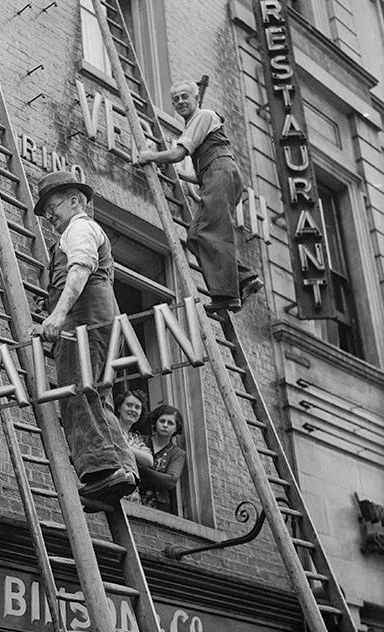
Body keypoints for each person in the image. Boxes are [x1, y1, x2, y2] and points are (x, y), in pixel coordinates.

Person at [34, 170, 138, 507]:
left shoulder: (79, 227)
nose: (50, 214)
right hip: (99, 323)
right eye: (47, 209)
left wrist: (57, 315)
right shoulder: (77, 231)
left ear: (77, 201)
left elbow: (79, 270)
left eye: (54, 205)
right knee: (96, 395)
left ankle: (103, 469)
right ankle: (120, 468)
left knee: (78, 392)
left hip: (84, 325)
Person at [137, 79, 263, 314]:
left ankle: (228, 295)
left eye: (185, 96)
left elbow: (177, 154)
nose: (180, 101)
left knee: (209, 232)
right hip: (217, 175)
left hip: (220, 174)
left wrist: (149, 156)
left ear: (196, 98)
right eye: (175, 99)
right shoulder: (197, 124)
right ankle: (244, 279)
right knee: (196, 236)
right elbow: (203, 171)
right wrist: (180, 175)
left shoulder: (202, 116)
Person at [140, 404, 186, 514]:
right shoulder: (141, 440)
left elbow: (170, 481)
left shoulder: (177, 453)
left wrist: (141, 469)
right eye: (162, 421)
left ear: (176, 428)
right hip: (133, 498)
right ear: (156, 422)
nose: (165, 425)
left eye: (170, 423)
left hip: (159, 507)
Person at [114, 389, 153, 503]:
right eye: (129, 405)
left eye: (137, 407)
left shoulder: (135, 438)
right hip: (111, 487)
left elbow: (149, 460)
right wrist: (133, 451)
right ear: (119, 408)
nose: (133, 410)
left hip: (131, 495)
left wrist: (123, 446)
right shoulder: (110, 429)